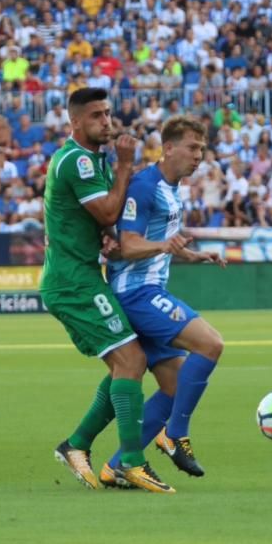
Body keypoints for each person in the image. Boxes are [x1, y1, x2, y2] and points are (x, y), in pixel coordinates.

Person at [41, 87, 174, 494]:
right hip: (72, 281)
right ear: (75, 122)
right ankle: (130, 462)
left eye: (108, 113)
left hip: (81, 275)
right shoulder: (79, 160)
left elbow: (98, 220)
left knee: (125, 365)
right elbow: (109, 211)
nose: (106, 121)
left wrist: (102, 236)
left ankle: (76, 445)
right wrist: (125, 165)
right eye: (97, 115)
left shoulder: (89, 160)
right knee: (131, 359)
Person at [101, 115, 226, 486]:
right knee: (211, 344)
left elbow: (161, 242)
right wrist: (162, 246)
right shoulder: (144, 185)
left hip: (150, 290)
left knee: (174, 386)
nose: (198, 156)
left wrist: (191, 255)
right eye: (191, 148)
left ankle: (117, 466)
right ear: (167, 147)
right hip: (135, 292)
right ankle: (174, 434)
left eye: (202, 150)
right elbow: (129, 244)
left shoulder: (172, 188)